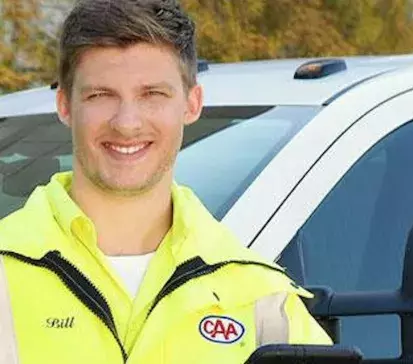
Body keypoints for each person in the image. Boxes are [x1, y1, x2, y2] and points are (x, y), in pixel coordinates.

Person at [0, 1, 332, 363]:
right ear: (64, 105)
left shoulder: (260, 295)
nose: (127, 123)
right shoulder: (6, 268)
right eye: (101, 95)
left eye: (152, 95)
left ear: (192, 103)